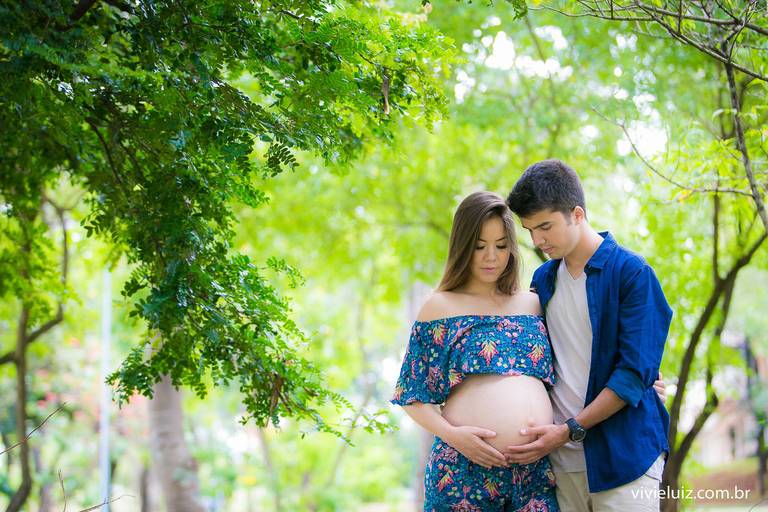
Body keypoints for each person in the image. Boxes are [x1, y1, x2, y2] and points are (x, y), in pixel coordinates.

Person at [503, 159, 672, 511]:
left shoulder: (633, 274)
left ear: (577, 214)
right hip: (562, 465)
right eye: (530, 229)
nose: (537, 240)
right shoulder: (543, 281)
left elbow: (631, 374)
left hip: (625, 459)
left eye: (545, 226)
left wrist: (569, 429)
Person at [391, 191, 561, 511]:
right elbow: (411, 394)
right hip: (462, 473)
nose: (491, 257)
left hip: (534, 475)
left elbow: (578, 358)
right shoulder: (439, 306)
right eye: (480, 246)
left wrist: (643, 379)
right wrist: (456, 437)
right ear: (463, 247)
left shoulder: (534, 303)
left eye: (500, 245)